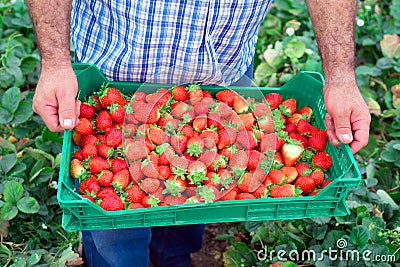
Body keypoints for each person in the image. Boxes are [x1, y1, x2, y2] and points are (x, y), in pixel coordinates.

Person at [25, 0, 371, 266]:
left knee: (197, 200)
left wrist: (340, 75)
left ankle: (173, 257)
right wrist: (55, 62)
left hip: (223, 79)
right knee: (114, 235)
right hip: (113, 76)